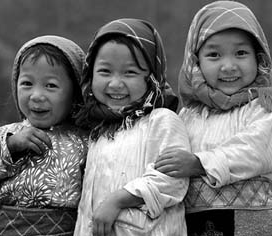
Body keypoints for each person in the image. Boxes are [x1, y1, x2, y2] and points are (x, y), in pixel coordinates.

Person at [154, 1, 272, 235]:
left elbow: (255, 152)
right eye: (214, 55)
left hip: (249, 225)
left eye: (241, 53)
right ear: (195, 63)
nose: (228, 66)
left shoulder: (263, 107)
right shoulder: (189, 114)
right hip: (192, 223)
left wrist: (199, 163)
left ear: (259, 59)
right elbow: (169, 160)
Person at [0, 35, 89, 236]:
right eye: (27, 83)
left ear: (76, 92)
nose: (36, 95)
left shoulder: (86, 142)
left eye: (51, 85)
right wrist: (10, 146)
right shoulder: (4, 135)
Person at [73, 18, 191, 236]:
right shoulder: (97, 130)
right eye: (105, 72)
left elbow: (172, 181)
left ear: (152, 78)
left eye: (130, 73)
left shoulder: (162, 121)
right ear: (90, 74)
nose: (116, 84)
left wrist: (118, 200)